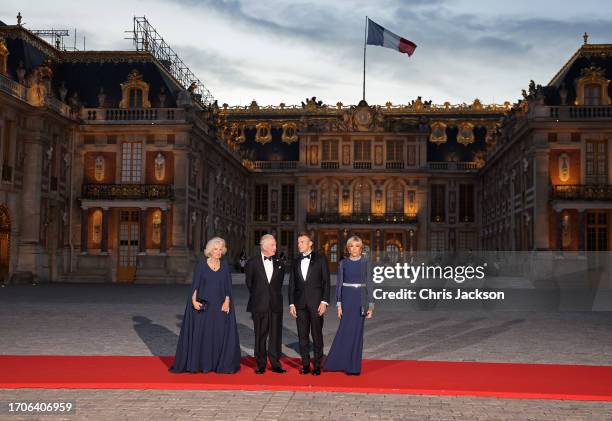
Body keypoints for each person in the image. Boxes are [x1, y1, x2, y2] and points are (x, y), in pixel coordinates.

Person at [170, 237, 241, 374]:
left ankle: (217, 364)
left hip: (220, 306)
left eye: (220, 249)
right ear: (210, 250)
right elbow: (195, 285)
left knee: (219, 334)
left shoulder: (225, 265)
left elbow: (228, 286)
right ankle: (203, 364)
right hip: (205, 305)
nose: (218, 252)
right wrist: (193, 300)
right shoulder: (201, 265)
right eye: (215, 249)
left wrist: (227, 301)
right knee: (205, 334)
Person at [324, 236, 374, 375]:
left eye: (357, 246)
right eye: (351, 246)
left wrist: (371, 305)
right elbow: (339, 284)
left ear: (361, 248)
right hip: (347, 298)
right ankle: (336, 362)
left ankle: (353, 367)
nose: (354, 249)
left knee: (357, 333)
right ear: (348, 248)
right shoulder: (343, 263)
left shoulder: (366, 262)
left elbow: (369, 283)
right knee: (344, 331)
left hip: (360, 299)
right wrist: (339, 305)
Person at [288, 232, 330, 375]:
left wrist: (324, 301)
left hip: (316, 303)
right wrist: (291, 304)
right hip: (300, 305)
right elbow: (292, 284)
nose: (299, 244)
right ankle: (305, 364)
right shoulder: (295, 261)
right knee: (302, 336)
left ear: (310, 243)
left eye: (302, 242)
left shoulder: (320, 259)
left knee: (317, 335)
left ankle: (317, 365)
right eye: (298, 242)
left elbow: (326, 282)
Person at [245, 234, 286, 374]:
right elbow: (250, 283)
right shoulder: (252, 263)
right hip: (259, 304)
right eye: (273, 245)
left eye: (275, 244)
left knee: (275, 336)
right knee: (260, 335)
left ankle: (275, 364)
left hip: (275, 305)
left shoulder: (280, 263)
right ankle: (261, 364)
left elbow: (279, 285)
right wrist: (260, 296)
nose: (275, 247)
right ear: (264, 246)